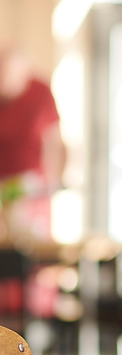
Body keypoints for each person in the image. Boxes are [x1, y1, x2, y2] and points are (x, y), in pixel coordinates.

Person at [0, 44, 65, 238]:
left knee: (28, 241)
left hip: (32, 187)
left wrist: (54, 181)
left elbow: (56, 143)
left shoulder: (40, 92)